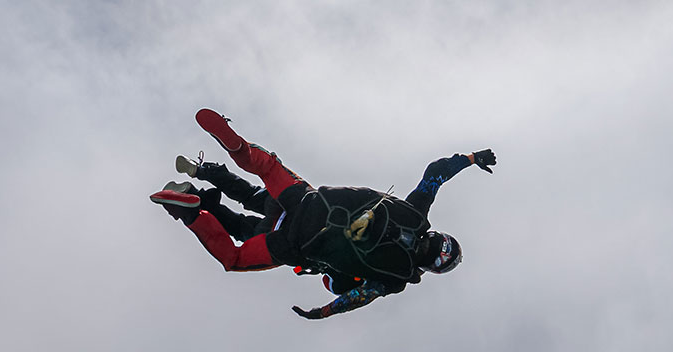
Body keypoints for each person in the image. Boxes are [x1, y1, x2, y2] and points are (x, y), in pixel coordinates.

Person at [150, 109, 495, 320]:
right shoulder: (397, 278)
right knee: (236, 255)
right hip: (294, 243)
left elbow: (435, 172)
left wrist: (471, 158)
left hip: (308, 202)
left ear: (437, 237)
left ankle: (233, 150)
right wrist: (323, 313)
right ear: (431, 266)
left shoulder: (416, 214)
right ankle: (192, 210)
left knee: (266, 172)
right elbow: (355, 297)